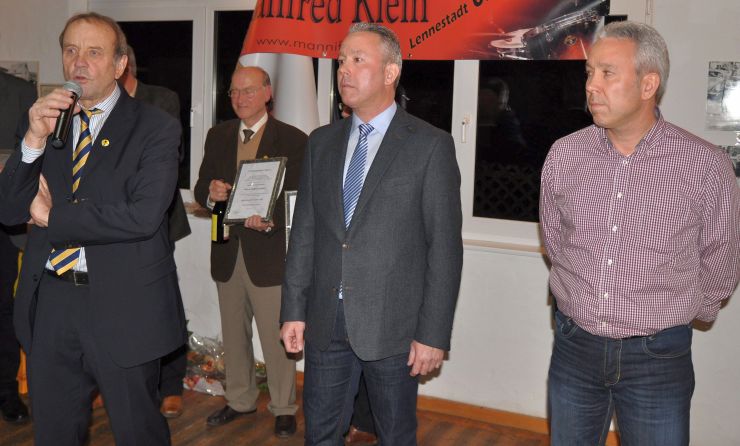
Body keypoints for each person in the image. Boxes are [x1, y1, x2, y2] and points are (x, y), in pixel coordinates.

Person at [540, 21, 740, 446]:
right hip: (575, 347)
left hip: (658, 357)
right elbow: (555, 241)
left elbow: (722, 258)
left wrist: (683, 311)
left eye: (607, 73)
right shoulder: (565, 155)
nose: (592, 86)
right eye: (589, 72)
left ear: (649, 84)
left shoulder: (705, 166)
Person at [0, 12, 186, 445]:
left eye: (94, 52)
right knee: (54, 434)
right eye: (71, 50)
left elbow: (142, 216)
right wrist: (32, 140)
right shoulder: (46, 120)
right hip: (51, 302)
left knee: (137, 432)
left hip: (124, 303)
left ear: (120, 64)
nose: (79, 61)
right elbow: (9, 210)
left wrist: (53, 217)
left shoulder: (155, 127)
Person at [280, 23, 463, 445]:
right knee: (320, 434)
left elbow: (444, 249)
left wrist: (432, 334)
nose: (344, 69)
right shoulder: (321, 142)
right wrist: (293, 309)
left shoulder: (429, 145)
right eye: (341, 60)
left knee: (395, 435)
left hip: (393, 326)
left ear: (390, 72)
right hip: (325, 322)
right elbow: (304, 232)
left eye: (358, 60)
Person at [194, 65, 306, 438]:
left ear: (267, 93)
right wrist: (210, 193)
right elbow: (200, 188)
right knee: (233, 332)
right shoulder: (218, 135)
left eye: (249, 90)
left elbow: (299, 198)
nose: (240, 98)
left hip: (268, 253)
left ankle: (284, 406)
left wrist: (271, 220)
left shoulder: (292, 139)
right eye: (234, 92)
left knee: (277, 337)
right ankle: (240, 399)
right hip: (226, 248)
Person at [119, 44, 191, 419]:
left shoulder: (161, 99)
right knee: (121, 309)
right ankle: (121, 382)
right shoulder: (97, 105)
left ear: (122, 66)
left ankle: (171, 385)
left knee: (162, 305)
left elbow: (167, 159)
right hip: (113, 225)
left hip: (156, 223)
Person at [0, 71, 35, 425]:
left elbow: (34, 154)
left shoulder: (21, 91)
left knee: (3, 308)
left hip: (3, 222)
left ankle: (6, 390)